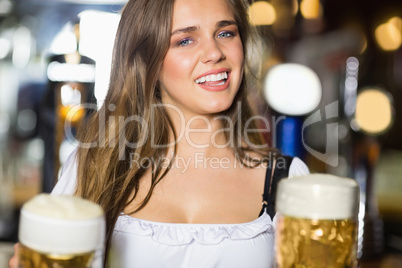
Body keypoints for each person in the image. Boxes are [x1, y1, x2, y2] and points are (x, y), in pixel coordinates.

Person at [10, 0, 309, 267]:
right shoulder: (92, 166)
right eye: (186, 40)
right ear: (147, 59)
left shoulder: (288, 179)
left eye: (225, 33)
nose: (215, 53)